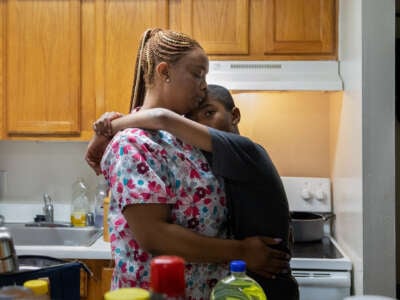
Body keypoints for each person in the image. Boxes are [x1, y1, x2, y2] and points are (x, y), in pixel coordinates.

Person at [86, 28, 290, 299]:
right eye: (197, 74)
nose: (204, 85)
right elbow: (154, 236)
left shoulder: (187, 140)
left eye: (205, 76)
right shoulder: (132, 144)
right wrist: (241, 251)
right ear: (164, 72)